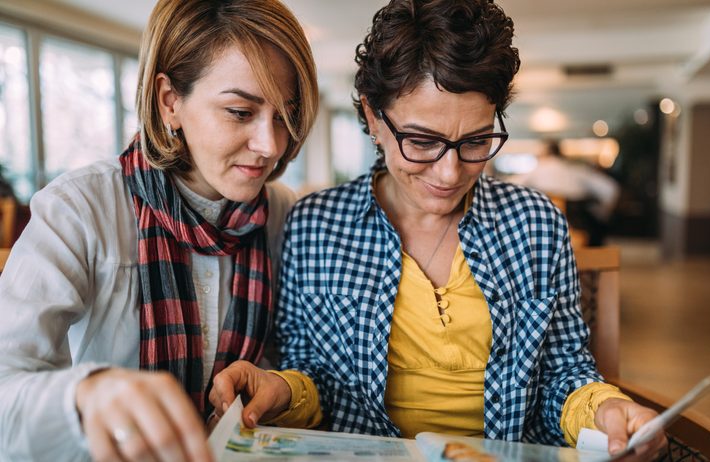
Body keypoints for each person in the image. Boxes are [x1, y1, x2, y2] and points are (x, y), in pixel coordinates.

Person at [210, 0, 665, 459]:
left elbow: (563, 376)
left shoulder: (535, 223)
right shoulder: (315, 226)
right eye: (422, 141)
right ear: (372, 117)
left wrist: (603, 408)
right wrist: (279, 389)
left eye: (476, 141)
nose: (449, 174)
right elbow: (315, 378)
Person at [0, 0, 318, 460]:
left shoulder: (286, 214)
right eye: (239, 112)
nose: (270, 146)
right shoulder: (80, 209)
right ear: (170, 101)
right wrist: (86, 395)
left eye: (284, 114)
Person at [514, 139, 620, 246]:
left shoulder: (534, 171)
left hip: (538, 230)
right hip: (580, 228)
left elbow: (509, 188)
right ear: (561, 154)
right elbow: (610, 189)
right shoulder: (575, 170)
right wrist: (602, 215)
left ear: (544, 153)